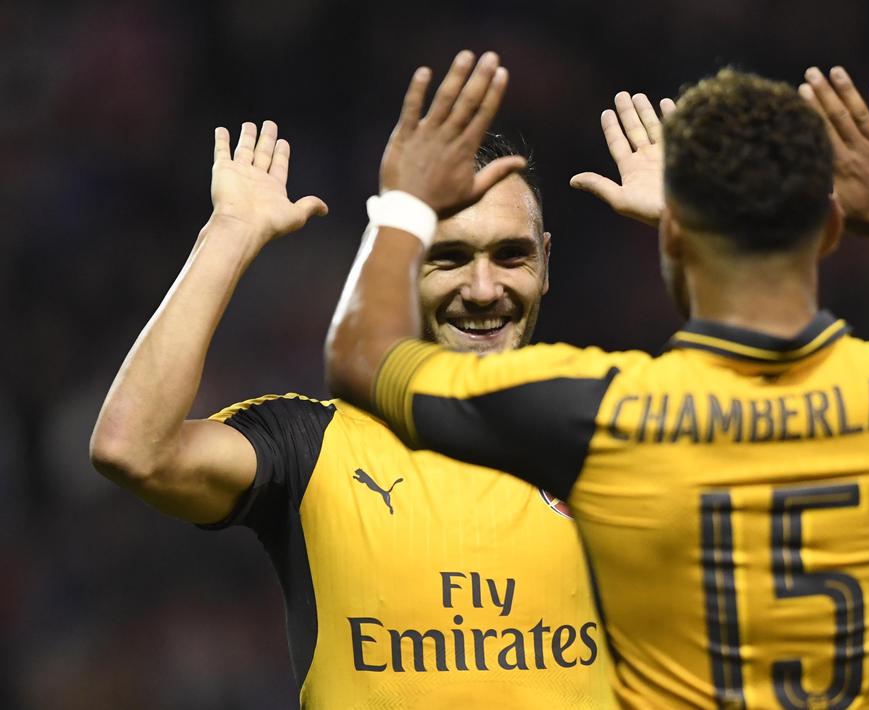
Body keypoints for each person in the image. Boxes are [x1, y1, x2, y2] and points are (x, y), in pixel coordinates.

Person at [327, 53, 869, 709]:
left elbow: (362, 356)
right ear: (829, 230)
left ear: (668, 232)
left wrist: (405, 206)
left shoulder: (602, 413)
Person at [89, 82, 616, 707]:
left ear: (546, 264)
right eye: (448, 258)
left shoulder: (611, 435)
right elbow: (132, 448)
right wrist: (230, 232)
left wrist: (702, 245)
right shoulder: (311, 449)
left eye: (510, 255)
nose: (483, 289)